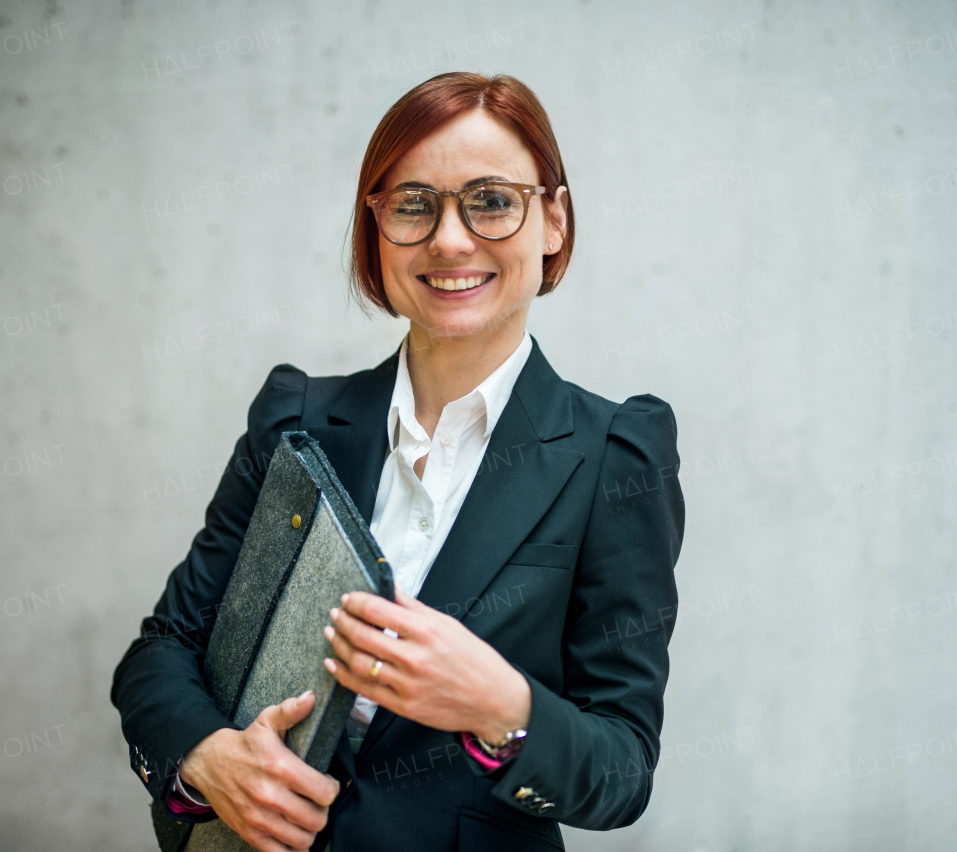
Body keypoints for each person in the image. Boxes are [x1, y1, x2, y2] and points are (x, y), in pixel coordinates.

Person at [111, 71, 685, 852]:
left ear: (552, 220)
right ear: (375, 230)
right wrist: (208, 761)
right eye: (414, 205)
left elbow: (622, 770)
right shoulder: (296, 418)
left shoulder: (612, 451)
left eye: (490, 200)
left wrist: (502, 705)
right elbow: (163, 649)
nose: (450, 239)